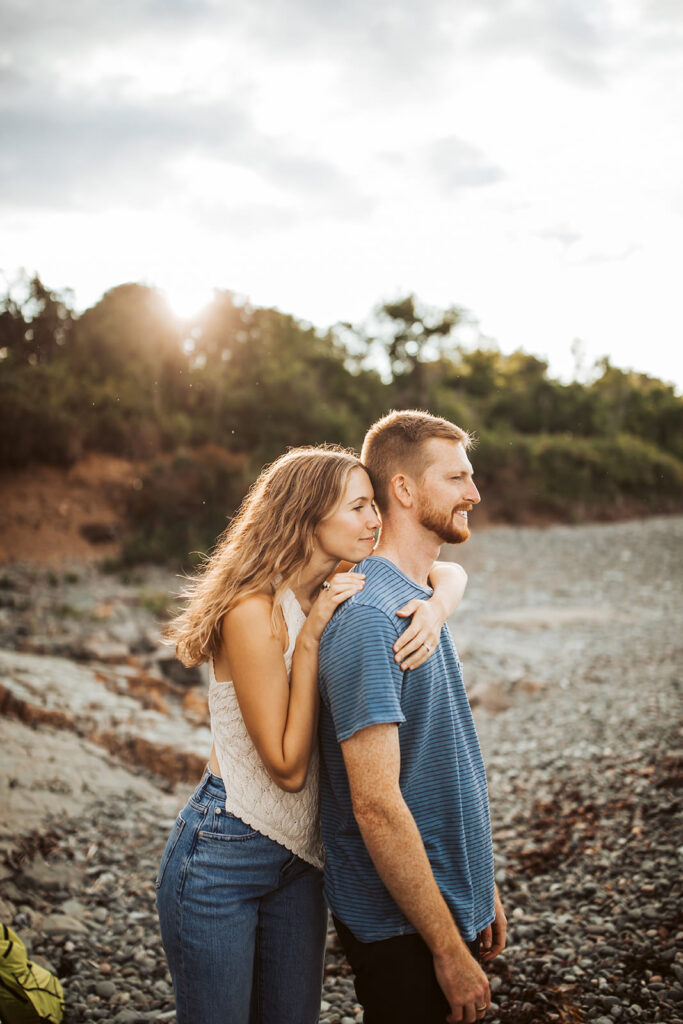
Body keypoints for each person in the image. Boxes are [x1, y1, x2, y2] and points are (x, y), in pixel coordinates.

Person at [155, 444, 471, 1024]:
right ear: (307, 516)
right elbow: (287, 765)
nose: (374, 521)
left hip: (302, 860)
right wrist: (309, 639)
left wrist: (435, 609)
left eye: (374, 505)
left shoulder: (339, 584)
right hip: (225, 851)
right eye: (357, 507)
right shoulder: (252, 611)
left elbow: (447, 568)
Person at [318, 411, 508, 1024]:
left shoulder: (422, 595)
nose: (474, 494)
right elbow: (375, 805)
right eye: (456, 478)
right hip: (401, 927)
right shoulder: (372, 620)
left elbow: (443, 756)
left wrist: (480, 888)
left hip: (444, 902)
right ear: (403, 489)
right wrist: (448, 950)